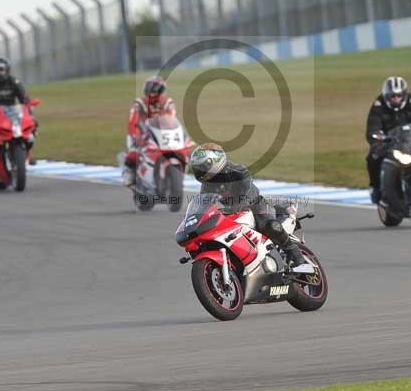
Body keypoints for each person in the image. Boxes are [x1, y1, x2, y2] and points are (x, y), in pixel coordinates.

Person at [190, 142, 314, 274]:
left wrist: (240, 206)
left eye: (203, 167)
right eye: (198, 169)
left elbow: (251, 191)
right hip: (232, 212)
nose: (200, 172)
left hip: (255, 205)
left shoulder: (237, 171)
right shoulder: (207, 185)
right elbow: (205, 203)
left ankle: (300, 261)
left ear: (214, 161)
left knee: (270, 226)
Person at [365, 76, 411, 204]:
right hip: (389, 142)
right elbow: (372, 126)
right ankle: (375, 187)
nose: (396, 99)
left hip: (410, 142)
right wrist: (377, 138)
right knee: (372, 157)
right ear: (386, 96)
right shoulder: (378, 106)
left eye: (399, 96)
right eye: (393, 96)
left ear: (404, 95)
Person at [122, 76, 176, 186]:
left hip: (162, 133)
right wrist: (136, 136)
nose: (153, 92)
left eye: (156, 90)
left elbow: (172, 119)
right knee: (134, 152)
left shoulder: (167, 102)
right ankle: (130, 172)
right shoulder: (139, 103)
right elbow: (133, 122)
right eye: (150, 89)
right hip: (141, 133)